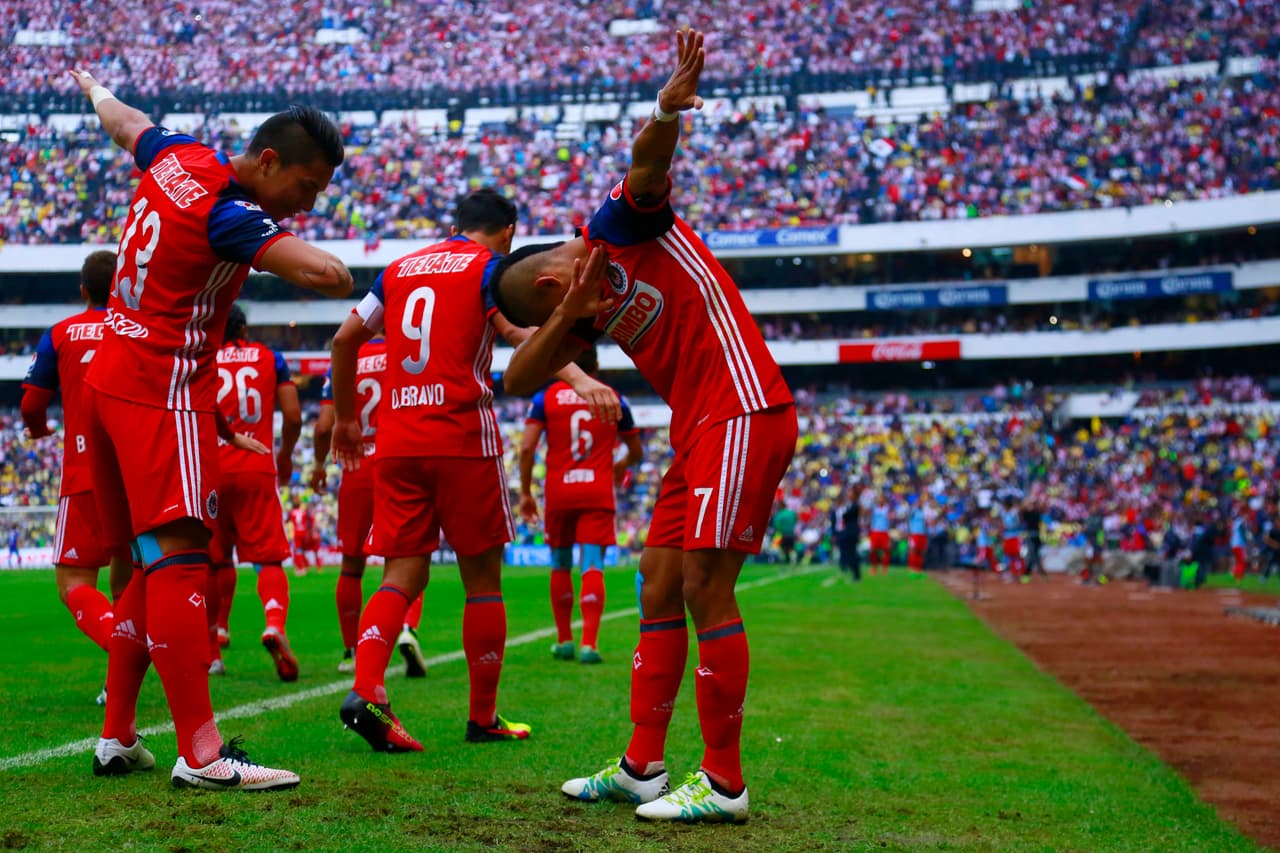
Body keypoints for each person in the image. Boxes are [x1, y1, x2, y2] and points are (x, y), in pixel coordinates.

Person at [491, 29, 797, 823]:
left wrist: (665, 109)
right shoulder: (580, 309)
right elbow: (516, 379)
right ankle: (641, 766)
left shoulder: (617, 228)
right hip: (700, 427)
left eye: (555, 311)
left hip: (743, 404)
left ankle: (724, 782)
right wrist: (569, 317)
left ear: (550, 282)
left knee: (705, 587)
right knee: (656, 581)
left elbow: (647, 164)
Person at [70, 67, 352, 790]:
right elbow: (327, 275)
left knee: (149, 564)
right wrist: (319, 262)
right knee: (180, 557)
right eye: (307, 187)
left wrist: (96, 91)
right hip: (161, 392)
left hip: (107, 380)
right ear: (268, 161)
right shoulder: (230, 214)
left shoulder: (177, 155)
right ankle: (201, 753)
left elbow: (126, 124)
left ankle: (117, 736)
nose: (309, 204)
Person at [330, 189, 538, 752]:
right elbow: (518, 336)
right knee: (483, 583)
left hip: (396, 441)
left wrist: (346, 419)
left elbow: (344, 339)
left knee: (400, 576)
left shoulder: (397, 270)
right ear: (508, 231)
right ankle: (483, 718)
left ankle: (368, 690)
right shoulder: (489, 269)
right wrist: (579, 371)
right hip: (462, 438)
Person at [20, 250, 133, 701]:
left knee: (74, 582)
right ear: (121, 284)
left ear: (83, 290)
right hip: (138, 470)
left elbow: (31, 404)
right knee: (129, 579)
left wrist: (38, 429)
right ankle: (120, 680)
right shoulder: (137, 327)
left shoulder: (61, 333)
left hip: (86, 470)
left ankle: (124, 652)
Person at [313, 341, 430, 677]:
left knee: (351, 566)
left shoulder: (346, 358)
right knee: (409, 557)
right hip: (399, 460)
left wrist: (319, 465)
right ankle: (407, 628)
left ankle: (351, 652)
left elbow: (323, 427)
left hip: (357, 468)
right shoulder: (406, 352)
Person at [519, 345, 642, 664]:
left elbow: (527, 447)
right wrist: (621, 464)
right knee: (592, 564)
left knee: (560, 564)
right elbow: (636, 450)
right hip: (597, 491)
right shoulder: (613, 398)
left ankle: (564, 640)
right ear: (597, 366)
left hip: (560, 492)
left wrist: (526, 492)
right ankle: (589, 643)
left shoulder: (544, 398)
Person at [206, 305, 301, 682]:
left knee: (213, 563)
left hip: (211, 470)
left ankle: (213, 651)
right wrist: (286, 454)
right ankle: (274, 622)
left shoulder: (203, 358)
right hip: (256, 466)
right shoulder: (270, 358)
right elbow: (292, 416)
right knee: (269, 559)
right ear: (244, 329)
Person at [834, 486, 860, 580]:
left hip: (851, 533)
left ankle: (856, 575)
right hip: (848, 533)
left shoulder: (854, 505)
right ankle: (854, 574)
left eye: (850, 493)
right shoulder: (849, 505)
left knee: (852, 554)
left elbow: (846, 516)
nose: (848, 495)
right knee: (849, 553)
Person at [287, 497, 314, 576]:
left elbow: (287, 521)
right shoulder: (304, 512)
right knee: (301, 550)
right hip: (304, 533)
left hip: (297, 533)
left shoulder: (292, 512)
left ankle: (302, 568)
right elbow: (310, 522)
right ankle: (304, 566)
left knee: (298, 551)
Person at [1000, 498, 1025, 580]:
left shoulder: (1014, 512)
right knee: (1009, 555)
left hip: (1014, 536)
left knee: (1016, 555)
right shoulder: (1004, 513)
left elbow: (1017, 522)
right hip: (1007, 536)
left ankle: (1021, 572)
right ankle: (1013, 573)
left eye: (1004, 505)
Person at [868, 495, 891, 575]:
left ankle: (885, 568)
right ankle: (874, 567)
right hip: (875, 531)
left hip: (884, 531)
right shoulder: (874, 508)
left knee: (886, 550)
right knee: (873, 550)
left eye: (882, 499)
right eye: (879, 499)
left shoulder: (888, 508)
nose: (880, 500)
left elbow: (891, 516)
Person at [772, 502, 798, 567]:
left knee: (782, 548)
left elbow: (777, 525)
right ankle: (793, 560)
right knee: (792, 548)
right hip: (791, 533)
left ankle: (782, 561)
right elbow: (796, 520)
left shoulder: (779, 514)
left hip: (782, 534)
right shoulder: (792, 513)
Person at [906, 498, 927, 573]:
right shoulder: (913, 511)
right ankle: (912, 567)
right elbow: (908, 519)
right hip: (914, 533)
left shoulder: (924, 512)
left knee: (921, 551)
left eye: (921, 503)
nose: (920, 504)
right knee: (913, 550)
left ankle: (918, 568)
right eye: (918, 503)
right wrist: (909, 531)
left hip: (922, 534)